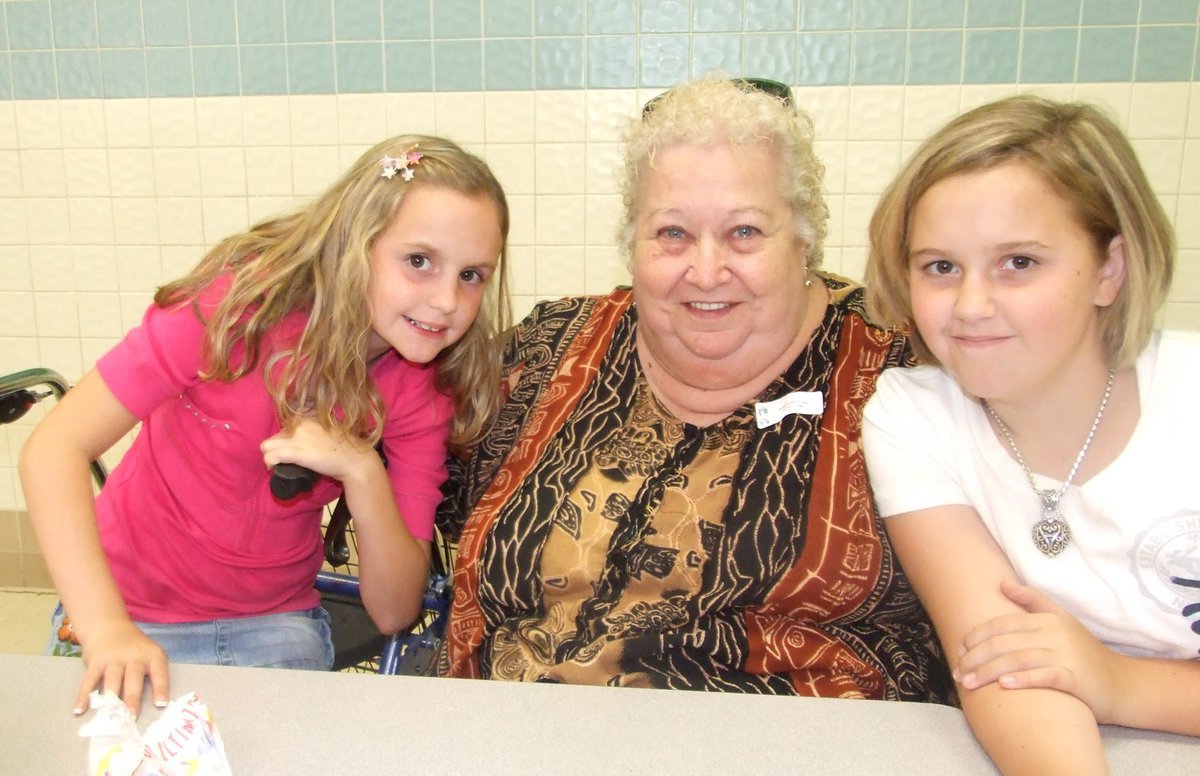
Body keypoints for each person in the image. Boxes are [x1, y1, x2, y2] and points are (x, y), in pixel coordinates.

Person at [433, 75, 953, 703]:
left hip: (803, 740)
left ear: (803, 238)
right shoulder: (551, 347)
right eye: (672, 233)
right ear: (632, 241)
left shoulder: (901, 370)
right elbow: (402, 431)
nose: (706, 271)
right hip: (510, 728)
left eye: (744, 232)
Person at [19, 134, 511, 716]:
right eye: (419, 261)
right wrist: (105, 628)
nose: (447, 300)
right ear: (357, 244)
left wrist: (361, 470)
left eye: (472, 274)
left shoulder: (421, 390)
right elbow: (54, 449)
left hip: (273, 625)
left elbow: (394, 611)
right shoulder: (236, 310)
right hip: (122, 608)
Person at [862, 94, 1200, 773]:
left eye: (1019, 262)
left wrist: (1119, 683)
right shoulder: (913, 416)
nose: (971, 306)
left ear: (1109, 269)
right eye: (940, 267)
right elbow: (1000, 663)